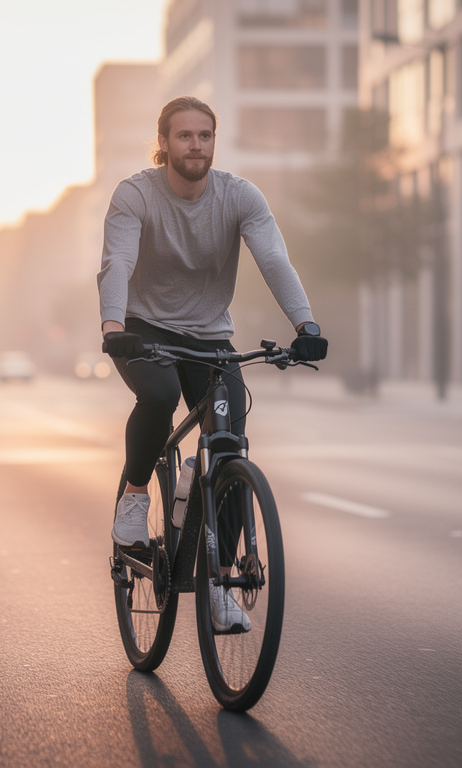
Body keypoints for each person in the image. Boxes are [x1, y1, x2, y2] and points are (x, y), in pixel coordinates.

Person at [96, 96, 327, 633]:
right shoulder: (135, 194)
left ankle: (219, 587)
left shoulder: (239, 196)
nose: (195, 145)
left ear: (213, 142)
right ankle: (134, 498)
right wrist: (114, 328)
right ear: (164, 143)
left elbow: (273, 258)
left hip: (209, 333)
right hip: (143, 328)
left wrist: (305, 326)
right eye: (184, 136)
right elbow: (119, 262)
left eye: (205, 135)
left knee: (226, 447)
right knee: (157, 398)